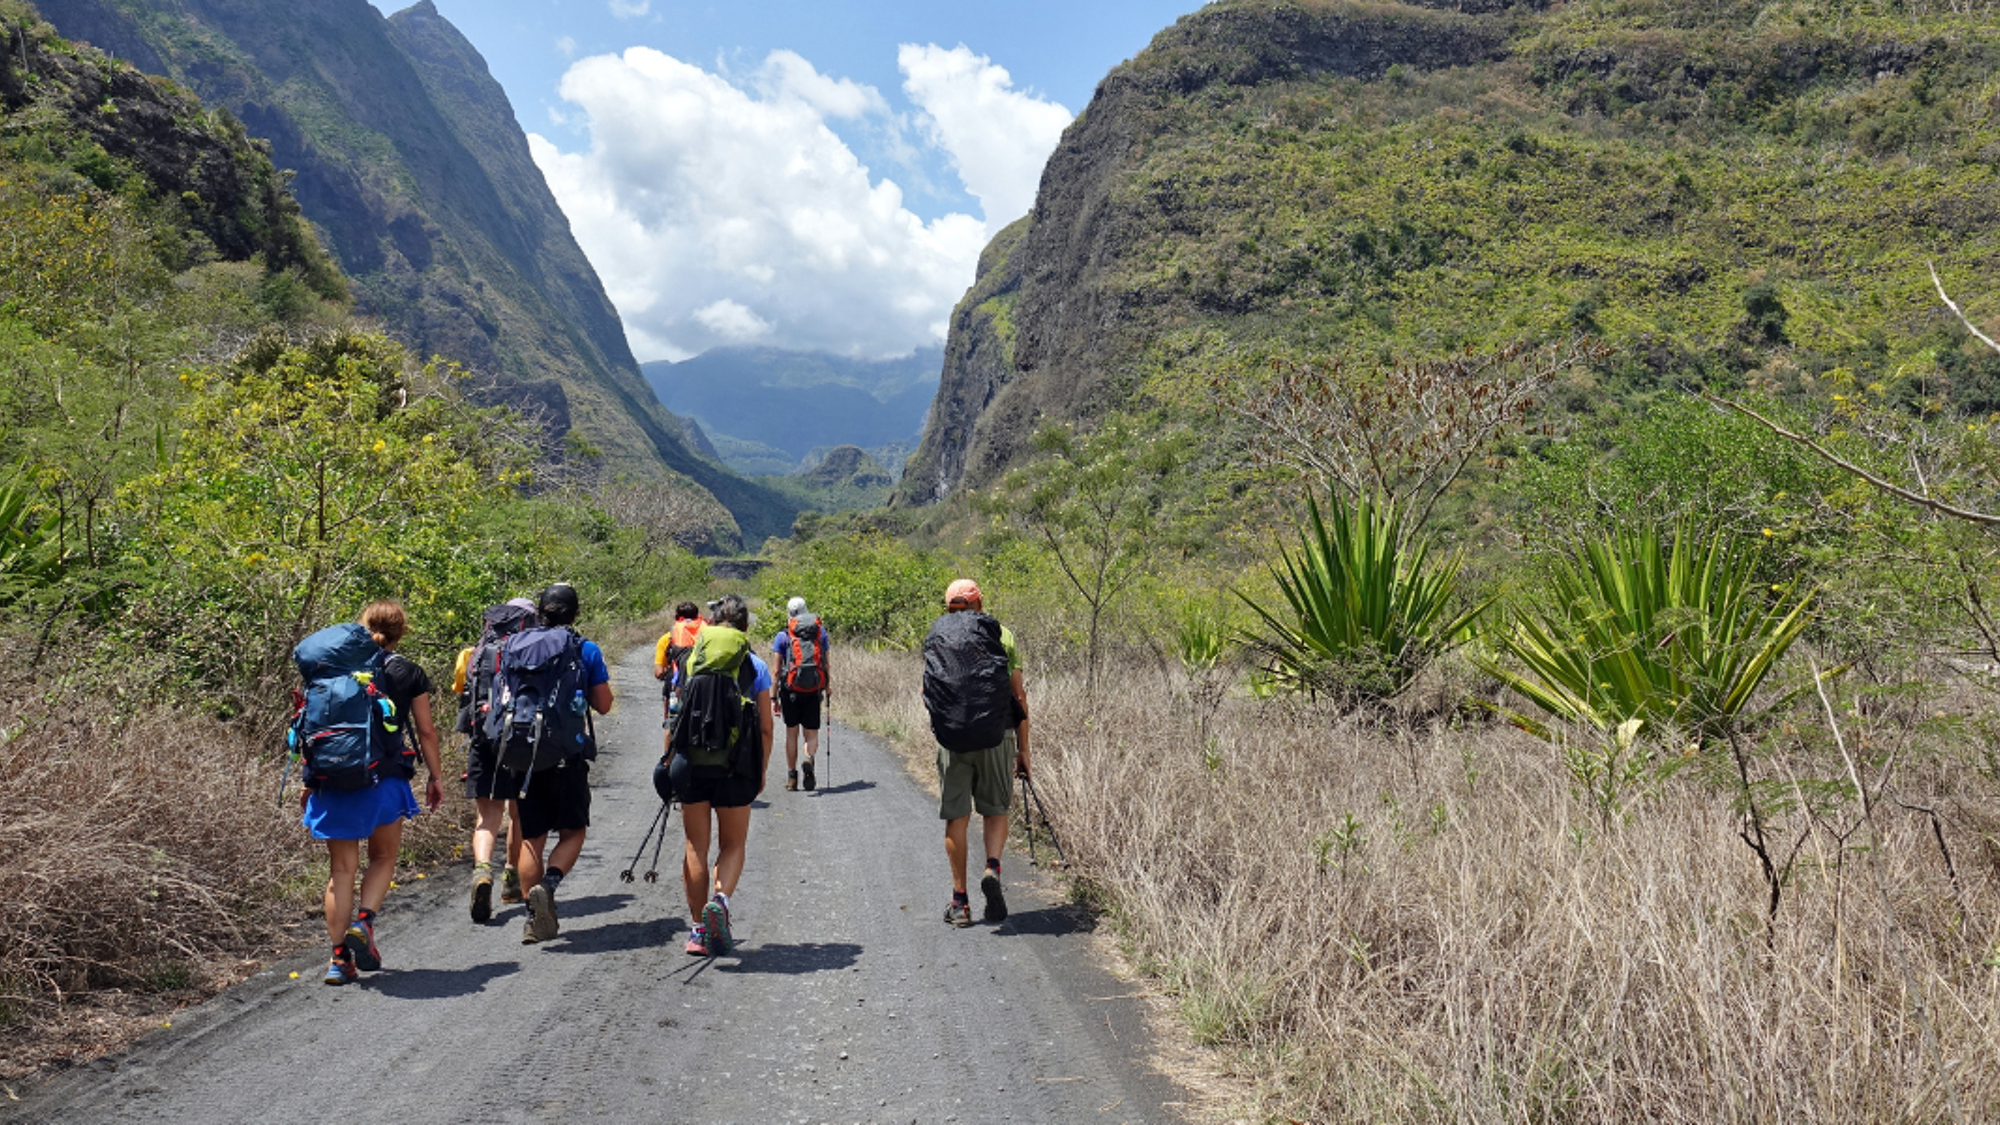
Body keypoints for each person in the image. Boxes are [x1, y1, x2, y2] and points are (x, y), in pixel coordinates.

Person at [303, 601, 445, 984]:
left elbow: (307, 726)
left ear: (362, 628)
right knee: (383, 857)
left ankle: (337, 961)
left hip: (332, 780)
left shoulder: (331, 667)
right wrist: (436, 776)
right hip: (385, 780)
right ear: (402, 632)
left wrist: (309, 780)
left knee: (340, 871)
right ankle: (364, 924)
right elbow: (426, 731)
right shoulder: (407, 672)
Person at [661, 593, 773, 956]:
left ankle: (697, 930)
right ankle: (720, 901)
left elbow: (674, 715)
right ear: (744, 627)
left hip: (691, 761)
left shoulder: (690, 659)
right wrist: (760, 769)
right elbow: (768, 728)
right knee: (733, 843)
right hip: (736, 766)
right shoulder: (755, 666)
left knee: (695, 844)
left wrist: (668, 760)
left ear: (710, 625)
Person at [921, 579, 1030, 927]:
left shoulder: (938, 635)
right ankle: (993, 867)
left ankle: (960, 903)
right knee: (996, 809)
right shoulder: (1003, 634)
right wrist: (1024, 749)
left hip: (952, 740)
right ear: (979, 603)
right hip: (997, 736)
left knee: (957, 817)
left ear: (948, 605)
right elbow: (1019, 696)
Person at [510, 583, 614, 944]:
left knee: (530, 839)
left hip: (523, 755)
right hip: (567, 756)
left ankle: (531, 917)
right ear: (576, 613)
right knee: (573, 831)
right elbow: (603, 705)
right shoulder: (584, 649)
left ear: (539, 612)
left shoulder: (516, 646)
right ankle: (550, 885)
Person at [452, 597, 537, 923]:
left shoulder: (471, 654)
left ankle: (482, 871)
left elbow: (462, 690)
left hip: (482, 740)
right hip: (519, 742)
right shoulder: (531, 651)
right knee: (517, 813)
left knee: (486, 818)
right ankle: (511, 879)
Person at [771, 595, 830, 791]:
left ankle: (792, 777)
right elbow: (826, 663)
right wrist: (827, 686)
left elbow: (776, 670)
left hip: (790, 691)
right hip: (813, 688)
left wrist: (773, 697)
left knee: (791, 733)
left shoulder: (783, 636)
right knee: (811, 734)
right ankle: (809, 757)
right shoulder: (820, 633)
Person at [654, 601, 704, 728]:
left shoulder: (667, 638)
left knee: (670, 724)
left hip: (675, 686)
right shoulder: (705, 636)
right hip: (701, 687)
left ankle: (668, 746)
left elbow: (658, 672)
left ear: (676, 618)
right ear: (697, 618)